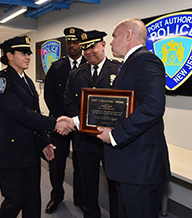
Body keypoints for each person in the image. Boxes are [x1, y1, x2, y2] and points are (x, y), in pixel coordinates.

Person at [0, 35, 75, 218]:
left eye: (29, 53)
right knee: (15, 199)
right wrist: (55, 123)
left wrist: (44, 142)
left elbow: (33, 113)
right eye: (23, 52)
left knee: (32, 198)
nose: (28, 56)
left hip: (29, 150)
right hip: (9, 151)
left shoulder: (26, 80)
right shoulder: (1, 82)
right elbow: (20, 113)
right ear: (9, 55)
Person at [97, 18, 171, 218]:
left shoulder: (146, 60)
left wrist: (115, 135)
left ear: (128, 34)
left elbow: (153, 107)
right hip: (129, 166)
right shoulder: (130, 64)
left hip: (140, 168)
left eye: (114, 36)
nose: (111, 43)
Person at [64, 30, 119, 218]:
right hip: (85, 138)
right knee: (88, 182)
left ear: (103, 45)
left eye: (92, 47)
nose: (88, 52)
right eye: (85, 48)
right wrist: (82, 123)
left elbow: (127, 103)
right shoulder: (75, 74)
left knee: (114, 182)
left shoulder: (118, 70)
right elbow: (69, 102)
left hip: (110, 139)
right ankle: (91, 214)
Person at [44, 27, 86, 213]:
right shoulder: (56, 67)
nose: (72, 45)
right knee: (56, 163)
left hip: (82, 124)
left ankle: (80, 198)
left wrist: (75, 120)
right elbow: (49, 96)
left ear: (82, 44)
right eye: (69, 42)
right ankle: (57, 196)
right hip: (60, 124)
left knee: (82, 162)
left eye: (75, 42)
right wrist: (63, 121)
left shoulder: (89, 65)